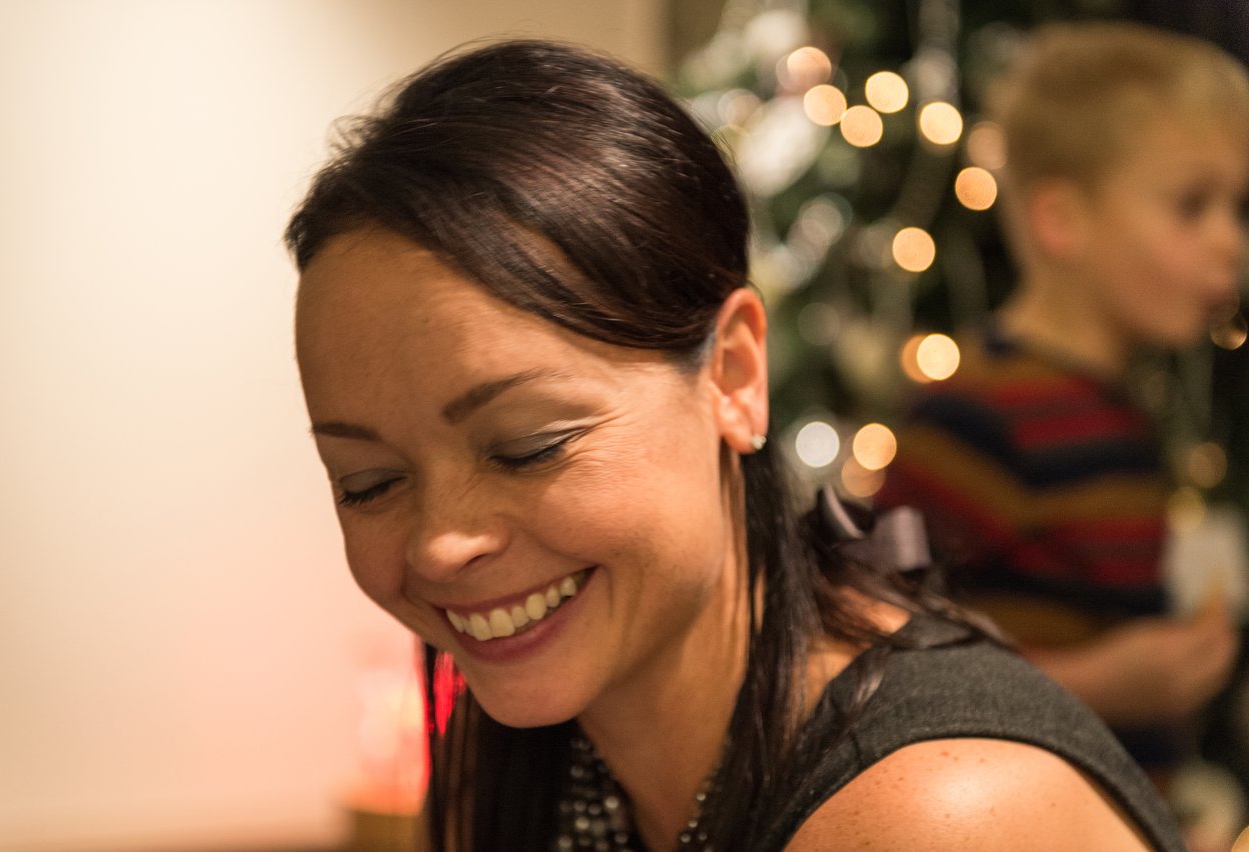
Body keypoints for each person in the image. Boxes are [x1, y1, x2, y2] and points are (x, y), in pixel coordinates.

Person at [288, 39, 1181, 850]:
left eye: (526, 446)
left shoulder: (936, 814)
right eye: (367, 482)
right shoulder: (523, 759)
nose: (442, 543)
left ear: (734, 375)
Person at [877, 21, 1245, 794]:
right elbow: (883, 656)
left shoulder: (1121, 404)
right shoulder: (978, 413)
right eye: (1191, 206)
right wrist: (1108, 683)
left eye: (1236, 209)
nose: (1230, 243)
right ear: (1062, 220)